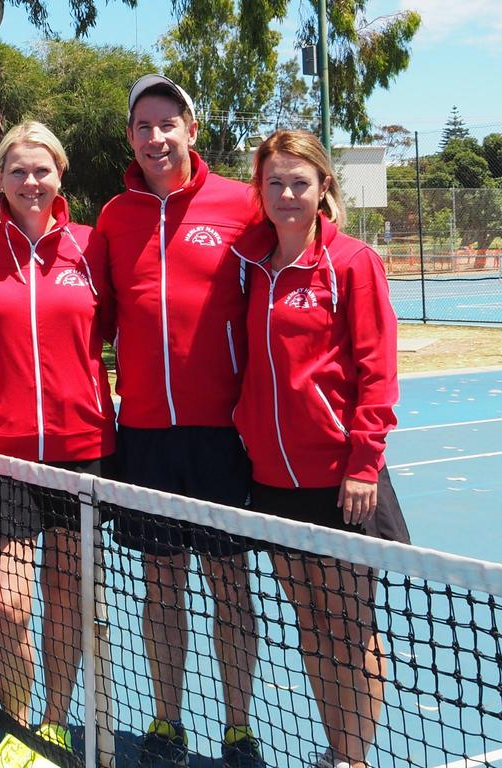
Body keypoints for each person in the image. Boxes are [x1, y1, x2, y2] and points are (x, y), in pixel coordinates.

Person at [95, 75, 265, 767]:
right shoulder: (115, 216)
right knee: (161, 584)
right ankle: (167, 723)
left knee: (230, 584)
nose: (157, 137)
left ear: (192, 130)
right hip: (145, 437)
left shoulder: (241, 205)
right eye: (144, 126)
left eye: (169, 124)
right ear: (131, 136)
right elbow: (96, 317)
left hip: (223, 438)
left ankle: (237, 726)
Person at [231, 130, 410, 768]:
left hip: (342, 484)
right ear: (260, 188)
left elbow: (376, 372)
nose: (286, 194)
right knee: (311, 626)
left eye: (299, 182)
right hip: (274, 482)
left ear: (323, 187)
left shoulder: (354, 261)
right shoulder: (250, 264)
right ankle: (338, 752)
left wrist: (363, 466)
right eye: (275, 182)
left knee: (349, 626)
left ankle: (354, 759)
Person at [0, 121, 117, 768]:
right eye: (18, 170)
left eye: (42, 170)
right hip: (0, 455)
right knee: (7, 603)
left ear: (60, 177)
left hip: (82, 452)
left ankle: (54, 725)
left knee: (67, 596)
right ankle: (17, 726)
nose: (31, 181)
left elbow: (117, 329)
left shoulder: (91, 248)